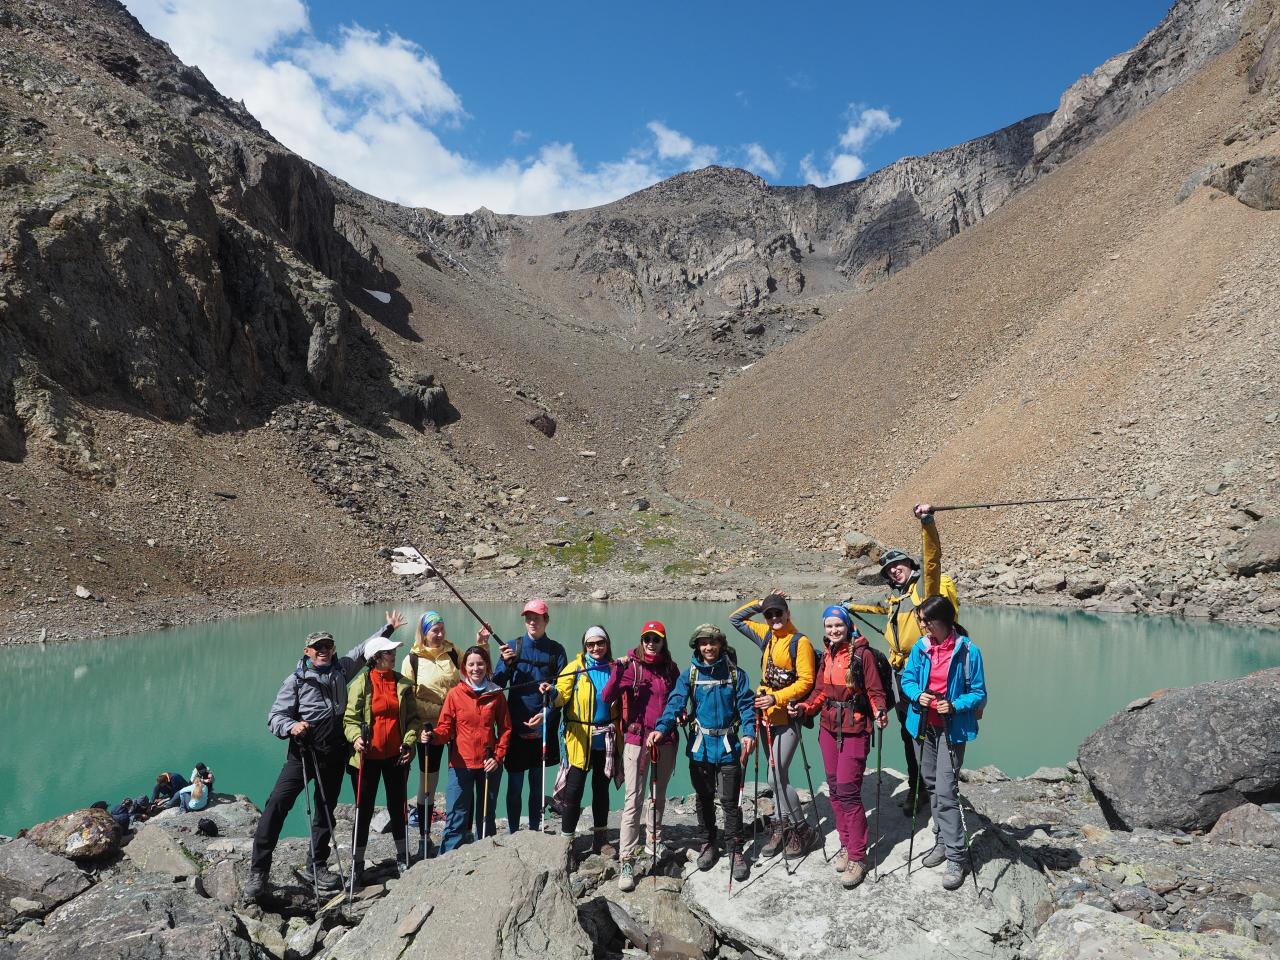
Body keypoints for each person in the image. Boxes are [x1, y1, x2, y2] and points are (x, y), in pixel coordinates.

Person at [245, 611, 406, 903]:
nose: (323, 652)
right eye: (318, 648)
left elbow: (362, 649)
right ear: (307, 652)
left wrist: (388, 629)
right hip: (303, 752)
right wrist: (292, 726)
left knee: (324, 809)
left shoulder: (342, 668)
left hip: (333, 753)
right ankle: (259, 871)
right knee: (278, 803)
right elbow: (275, 717)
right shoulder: (294, 681)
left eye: (328, 647)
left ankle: (317, 865)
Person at [844, 503, 958, 814]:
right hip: (902, 673)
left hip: (924, 668)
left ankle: (936, 788)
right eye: (889, 569)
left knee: (929, 728)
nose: (894, 570)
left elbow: (932, 560)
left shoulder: (924, 589)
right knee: (909, 731)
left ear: (909, 565)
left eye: (898, 565)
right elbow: (879, 610)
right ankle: (917, 785)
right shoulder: (897, 599)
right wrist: (850, 608)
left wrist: (927, 523)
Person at [791, 606, 888, 888]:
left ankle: (859, 856)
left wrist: (880, 711)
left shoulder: (862, 654)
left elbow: (874, 691)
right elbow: (821, 690)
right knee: (834, 788)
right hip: (828, 729)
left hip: (855, 728)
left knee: (848, 791)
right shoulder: (828, 654)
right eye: (829, 626)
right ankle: (847, 845)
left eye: (838, 625)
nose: (834, 630)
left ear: (847, 625)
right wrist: (805, 707)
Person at [651, 624, 756, 882]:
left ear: (720, 644)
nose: (708, 647)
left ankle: (735, 850)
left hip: (729, 746)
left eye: (713, 642)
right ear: (697, 646)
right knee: (704, 797)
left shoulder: (735, 674)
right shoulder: (690, 675)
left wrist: (750, 733)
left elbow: (746, 706)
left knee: (731, 801)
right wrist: (661, 729)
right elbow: (675, 703)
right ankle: (708, 844)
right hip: (701, 748)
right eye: (703, 643)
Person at [899, 595, 987, 891]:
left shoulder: (968, 652)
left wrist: (954, 705)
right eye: (921, 620)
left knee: (947, 791)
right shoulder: (921, 649)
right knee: (932, 784)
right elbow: (907, 680)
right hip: (924, 727)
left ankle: (956, 855)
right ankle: (941, 839)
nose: (922, 625)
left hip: (951, 729)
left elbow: (978, 693)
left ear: (942, 621)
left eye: (926, 620)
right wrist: (917, 695)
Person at [730, 592, 816, 859]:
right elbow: (735, 620)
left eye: (779, 612)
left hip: (787, 717)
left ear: (788, 613)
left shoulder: (800, 642)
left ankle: (803, 830)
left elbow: (806, 681)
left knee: (775, 776)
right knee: (778, 776)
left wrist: (776, 697)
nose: (774, 618)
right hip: (766, 718)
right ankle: (781, 827)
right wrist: (761, 603)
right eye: (770, 614)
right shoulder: (766, 635)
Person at [602, 619, 680, 891]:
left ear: (663, 642)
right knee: (633, 799)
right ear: (641, 639)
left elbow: (677, 700)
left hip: (665, 740)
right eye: (646, 638)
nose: (650, 643)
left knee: (657, 797)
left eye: (655, 639)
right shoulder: (630, 667)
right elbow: (606, 697)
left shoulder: (670, 669)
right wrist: (617, 671)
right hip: (636, 740)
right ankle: (627, 859)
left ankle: (654, 843)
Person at [344, 632, 422, 882]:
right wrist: (356, 737)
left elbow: (413, 720)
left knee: (397, 808)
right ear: (376, 658)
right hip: (367, 758)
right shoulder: (361, 683)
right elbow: (350, 719)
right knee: (364, 810)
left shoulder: (402, 683)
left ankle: (402, 857)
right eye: (389, 652)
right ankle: (357, 863)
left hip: (396, 757)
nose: (394, 654)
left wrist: (409, 742)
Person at [487, 598, 567, 834]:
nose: (532, 622)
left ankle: (533, 829)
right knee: (514, 785)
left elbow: (562, 693)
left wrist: (547, 715)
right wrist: (507, 664)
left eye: (537, 618)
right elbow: (497, 685)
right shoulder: (514, 647)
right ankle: (513, 831)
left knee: (536, 785)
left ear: (546, 620)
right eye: (528, 618)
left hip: (543, 728)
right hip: (515, 728)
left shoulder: (556, 651)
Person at [542, 625, 622, 858]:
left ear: (607, 644)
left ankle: (600, 839)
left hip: (606, 739)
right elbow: (560, 697)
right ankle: (567, 841)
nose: (596, 648)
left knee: (601, 791)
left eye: (600, 643)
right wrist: (552, 692)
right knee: (573, 792)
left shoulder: (615, 668)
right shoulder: (574, 668)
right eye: (591, 644)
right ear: (584, 646)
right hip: (579, 739)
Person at [432, 646, 512, 852]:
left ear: (486, 666)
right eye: (471, 664)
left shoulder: (496, 694)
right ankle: (446, 862)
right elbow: (444, 728)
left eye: (480, 663)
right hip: (460, 764)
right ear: (464, 668)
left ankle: (486, 859)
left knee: (486, 816)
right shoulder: (455, 694)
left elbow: (505, 728)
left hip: (489, 764)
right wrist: (432, 736)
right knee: (456, 815)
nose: (476, 668)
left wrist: (498, 756)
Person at [401, 611, 462, 850]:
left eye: (441, 629)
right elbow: (407, 696)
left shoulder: (454, 652)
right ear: (423, 633)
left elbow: (476, 672)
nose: (439, 634)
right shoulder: (412, 659)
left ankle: (461, 829)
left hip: (456, 724)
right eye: (434, 630)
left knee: (461, 776)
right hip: (428, 727)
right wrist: (444, 706)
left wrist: (482, 644)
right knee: (429, 780)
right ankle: (424, 836)